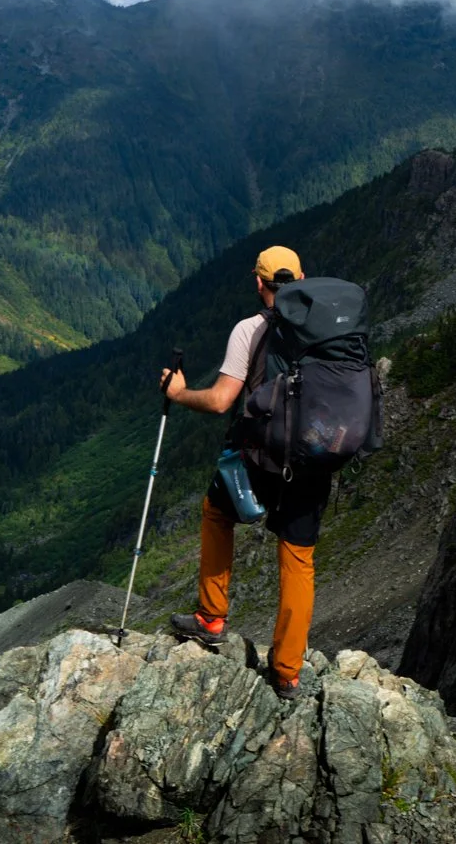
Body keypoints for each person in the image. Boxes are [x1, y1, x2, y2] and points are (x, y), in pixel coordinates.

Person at [160, 244, 331, 700]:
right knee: (298, 561)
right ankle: (288, 673)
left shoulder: (250, 330)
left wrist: (177, 393)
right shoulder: (332, 329)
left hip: (263, 459)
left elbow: (220, 401)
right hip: (313, 463)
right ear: (302, 277)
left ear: (258, 284)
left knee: (217, 511)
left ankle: (211, 618)